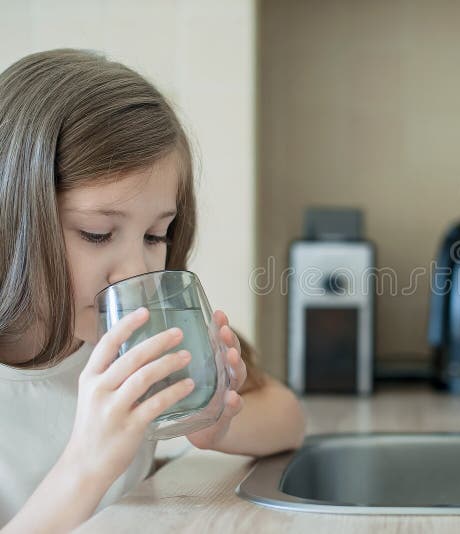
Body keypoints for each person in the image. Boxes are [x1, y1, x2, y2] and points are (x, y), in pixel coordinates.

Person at [0, 49, 306, 533]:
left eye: (155, 236)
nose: (135, 272)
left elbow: (289, 417)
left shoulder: (131, 343)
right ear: (12, 219)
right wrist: (87, 463)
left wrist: (216, 423)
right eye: (97, 234)